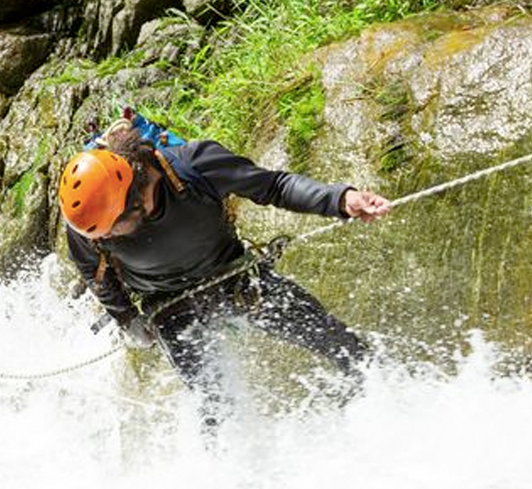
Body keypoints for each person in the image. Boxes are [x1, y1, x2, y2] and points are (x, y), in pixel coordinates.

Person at [58, 118, 392, 432]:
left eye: (111, 230)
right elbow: (94, 273)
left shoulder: (194, 166)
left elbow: (275, 186)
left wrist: (340, 199)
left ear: (137, 201)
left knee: (339, 343)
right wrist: (128, 320)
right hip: (168, 307)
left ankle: (386, 408)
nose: (102, 239)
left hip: (234, 278)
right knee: (215, 409)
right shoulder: (90, 227)